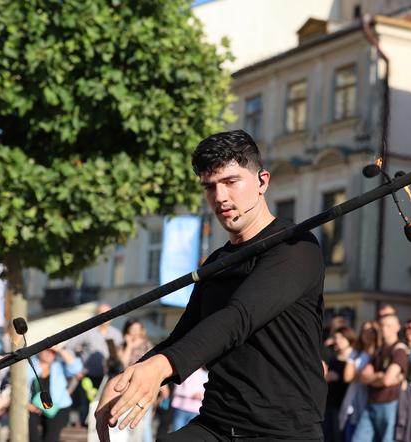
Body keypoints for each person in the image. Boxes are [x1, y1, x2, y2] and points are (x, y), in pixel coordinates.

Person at [95, 129, 327, 441]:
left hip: (283, 433)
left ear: (262, 181)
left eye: (231, 182)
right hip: (215, 425)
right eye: (210, 187)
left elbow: (237, 318)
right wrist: (130, 377)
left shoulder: (296, 247)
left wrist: (159, 368)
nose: (220, 197)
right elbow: (184, 337)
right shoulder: (218, 261)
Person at [353, 314, 409, 442]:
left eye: (389, 325)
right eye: (382, 325)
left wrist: (375, 378)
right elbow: (362, 377)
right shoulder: (379, 350)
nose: (384, 329)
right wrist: (378, 376)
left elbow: (387, 380)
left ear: (397, 327)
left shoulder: (399, 350)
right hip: (372, 402)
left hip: (390, 404)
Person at [68, 303, 123, 426]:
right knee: (86, 407)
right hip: (87, 376)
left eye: (108, 313)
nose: (105, 316)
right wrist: (76, 368)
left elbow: (120, 356)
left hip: (108, 377)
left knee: (104, 406)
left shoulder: (116, 334)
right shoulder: (88, 332)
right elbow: (69, 347)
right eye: (101, 313)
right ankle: (86, 430)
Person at [27, 345, 82, 442]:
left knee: (51, 438)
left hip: (57, 408)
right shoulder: (29, 364)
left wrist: (59, 349)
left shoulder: (59, 365)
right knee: (30, 431)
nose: (50, 353)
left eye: (53, 351)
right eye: (47, 350)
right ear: (39, 351)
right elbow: (20, 385)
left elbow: (77, 368)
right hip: (33, 408)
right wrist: (27, 404)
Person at [339, 321, 381, 442]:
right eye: (364, 331)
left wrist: (361, 376)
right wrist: (366, 376)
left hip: (371, 401)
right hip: (353, 400)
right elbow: (347, 377)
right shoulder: (355, 353)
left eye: (371, 331)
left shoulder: (379, 353)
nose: (367, 335)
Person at [324, 326, 355, 442]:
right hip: (329, 403)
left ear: (348, 339)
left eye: (341, 338)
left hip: (344, 406)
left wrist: (339, 377)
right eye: (336, 338)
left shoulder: (353, 359)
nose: (337, 341)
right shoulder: (333, 357)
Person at [170, 367, 208, 432]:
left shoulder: (205, 374)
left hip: (195, 410)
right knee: (177, 433)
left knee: (190, 435)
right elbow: (177, 389)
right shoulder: (185, 371)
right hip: (181, 408)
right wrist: (192, 395)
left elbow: (206, 392)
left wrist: (202, 396)